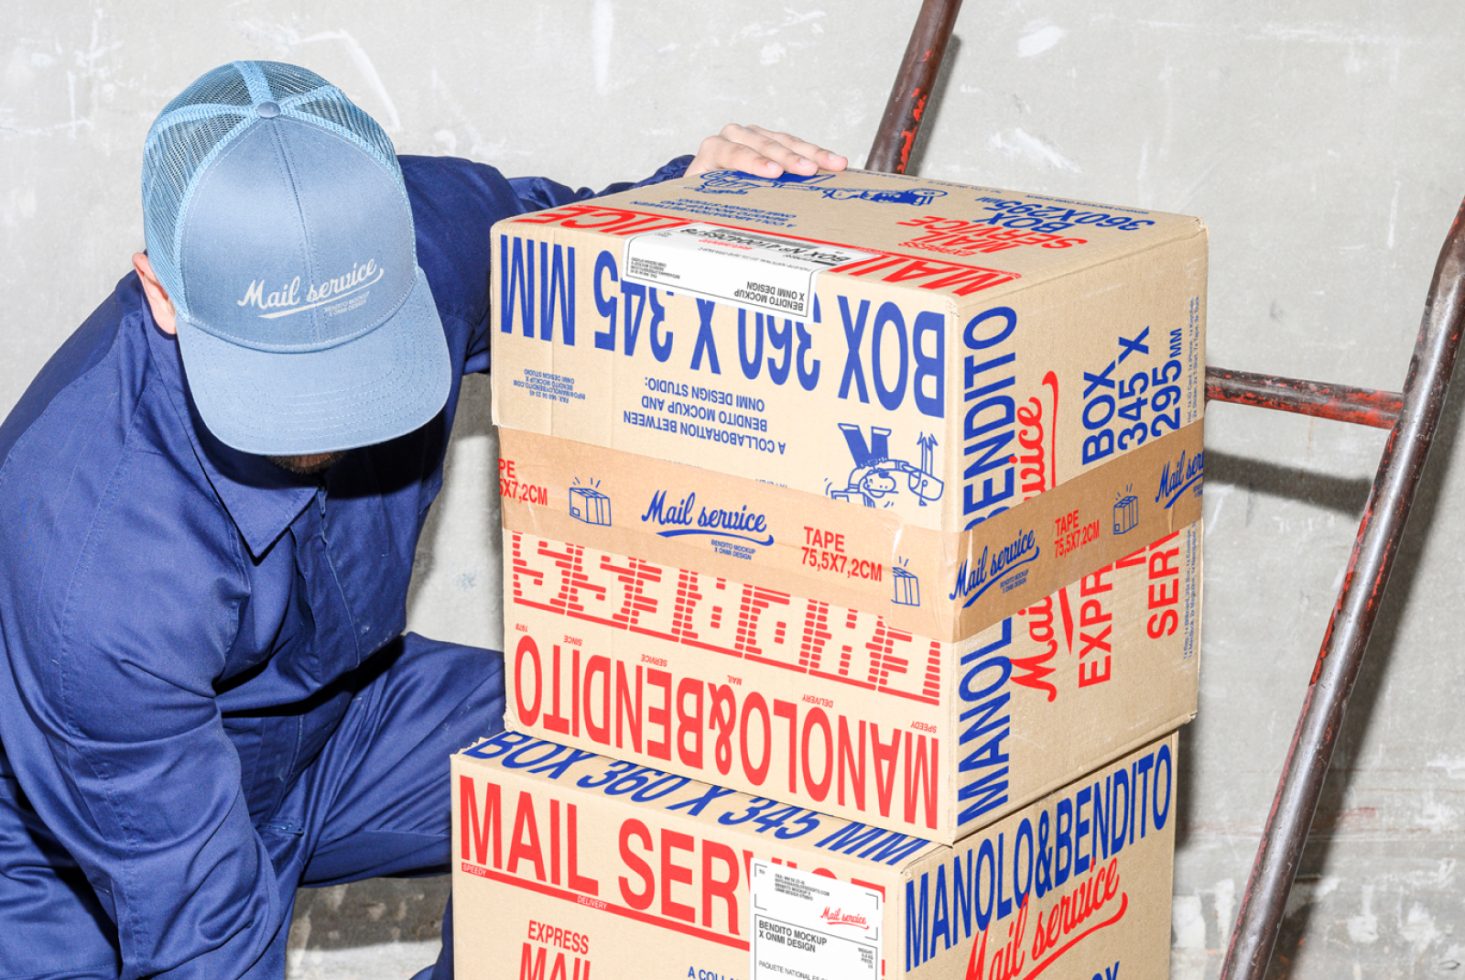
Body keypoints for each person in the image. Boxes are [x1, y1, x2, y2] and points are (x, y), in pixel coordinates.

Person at [0, 60, 847, 979]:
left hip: (337, 725)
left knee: (667, 751)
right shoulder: (88, 568)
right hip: (80, 845)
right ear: (161, 294)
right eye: (286, 378)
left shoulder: (433, 234)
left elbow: (590, 270)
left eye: (358, 358)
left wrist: (702, 196)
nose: (325, 421)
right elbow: (203, 935)